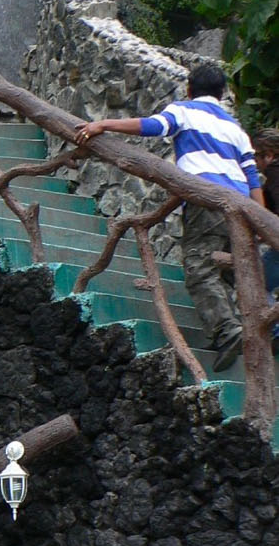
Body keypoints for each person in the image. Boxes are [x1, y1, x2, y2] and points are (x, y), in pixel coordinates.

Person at [75, 63, 264, 373]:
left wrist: (103, 125)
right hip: (242, 205)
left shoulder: (184, 111)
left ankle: (227, 331)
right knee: (235, 268)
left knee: (199, 266)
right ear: (222, 94)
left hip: (208, 198)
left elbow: (152, 126)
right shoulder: (236, 128)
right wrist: (261, 220)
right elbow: (253, 178)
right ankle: (258, 328)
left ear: (189, 89)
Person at [255, 128, 279, 303]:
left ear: (269, 155)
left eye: (256, 157)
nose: (255, 164)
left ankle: (276, 330)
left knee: (257, 285)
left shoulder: (274, 171)